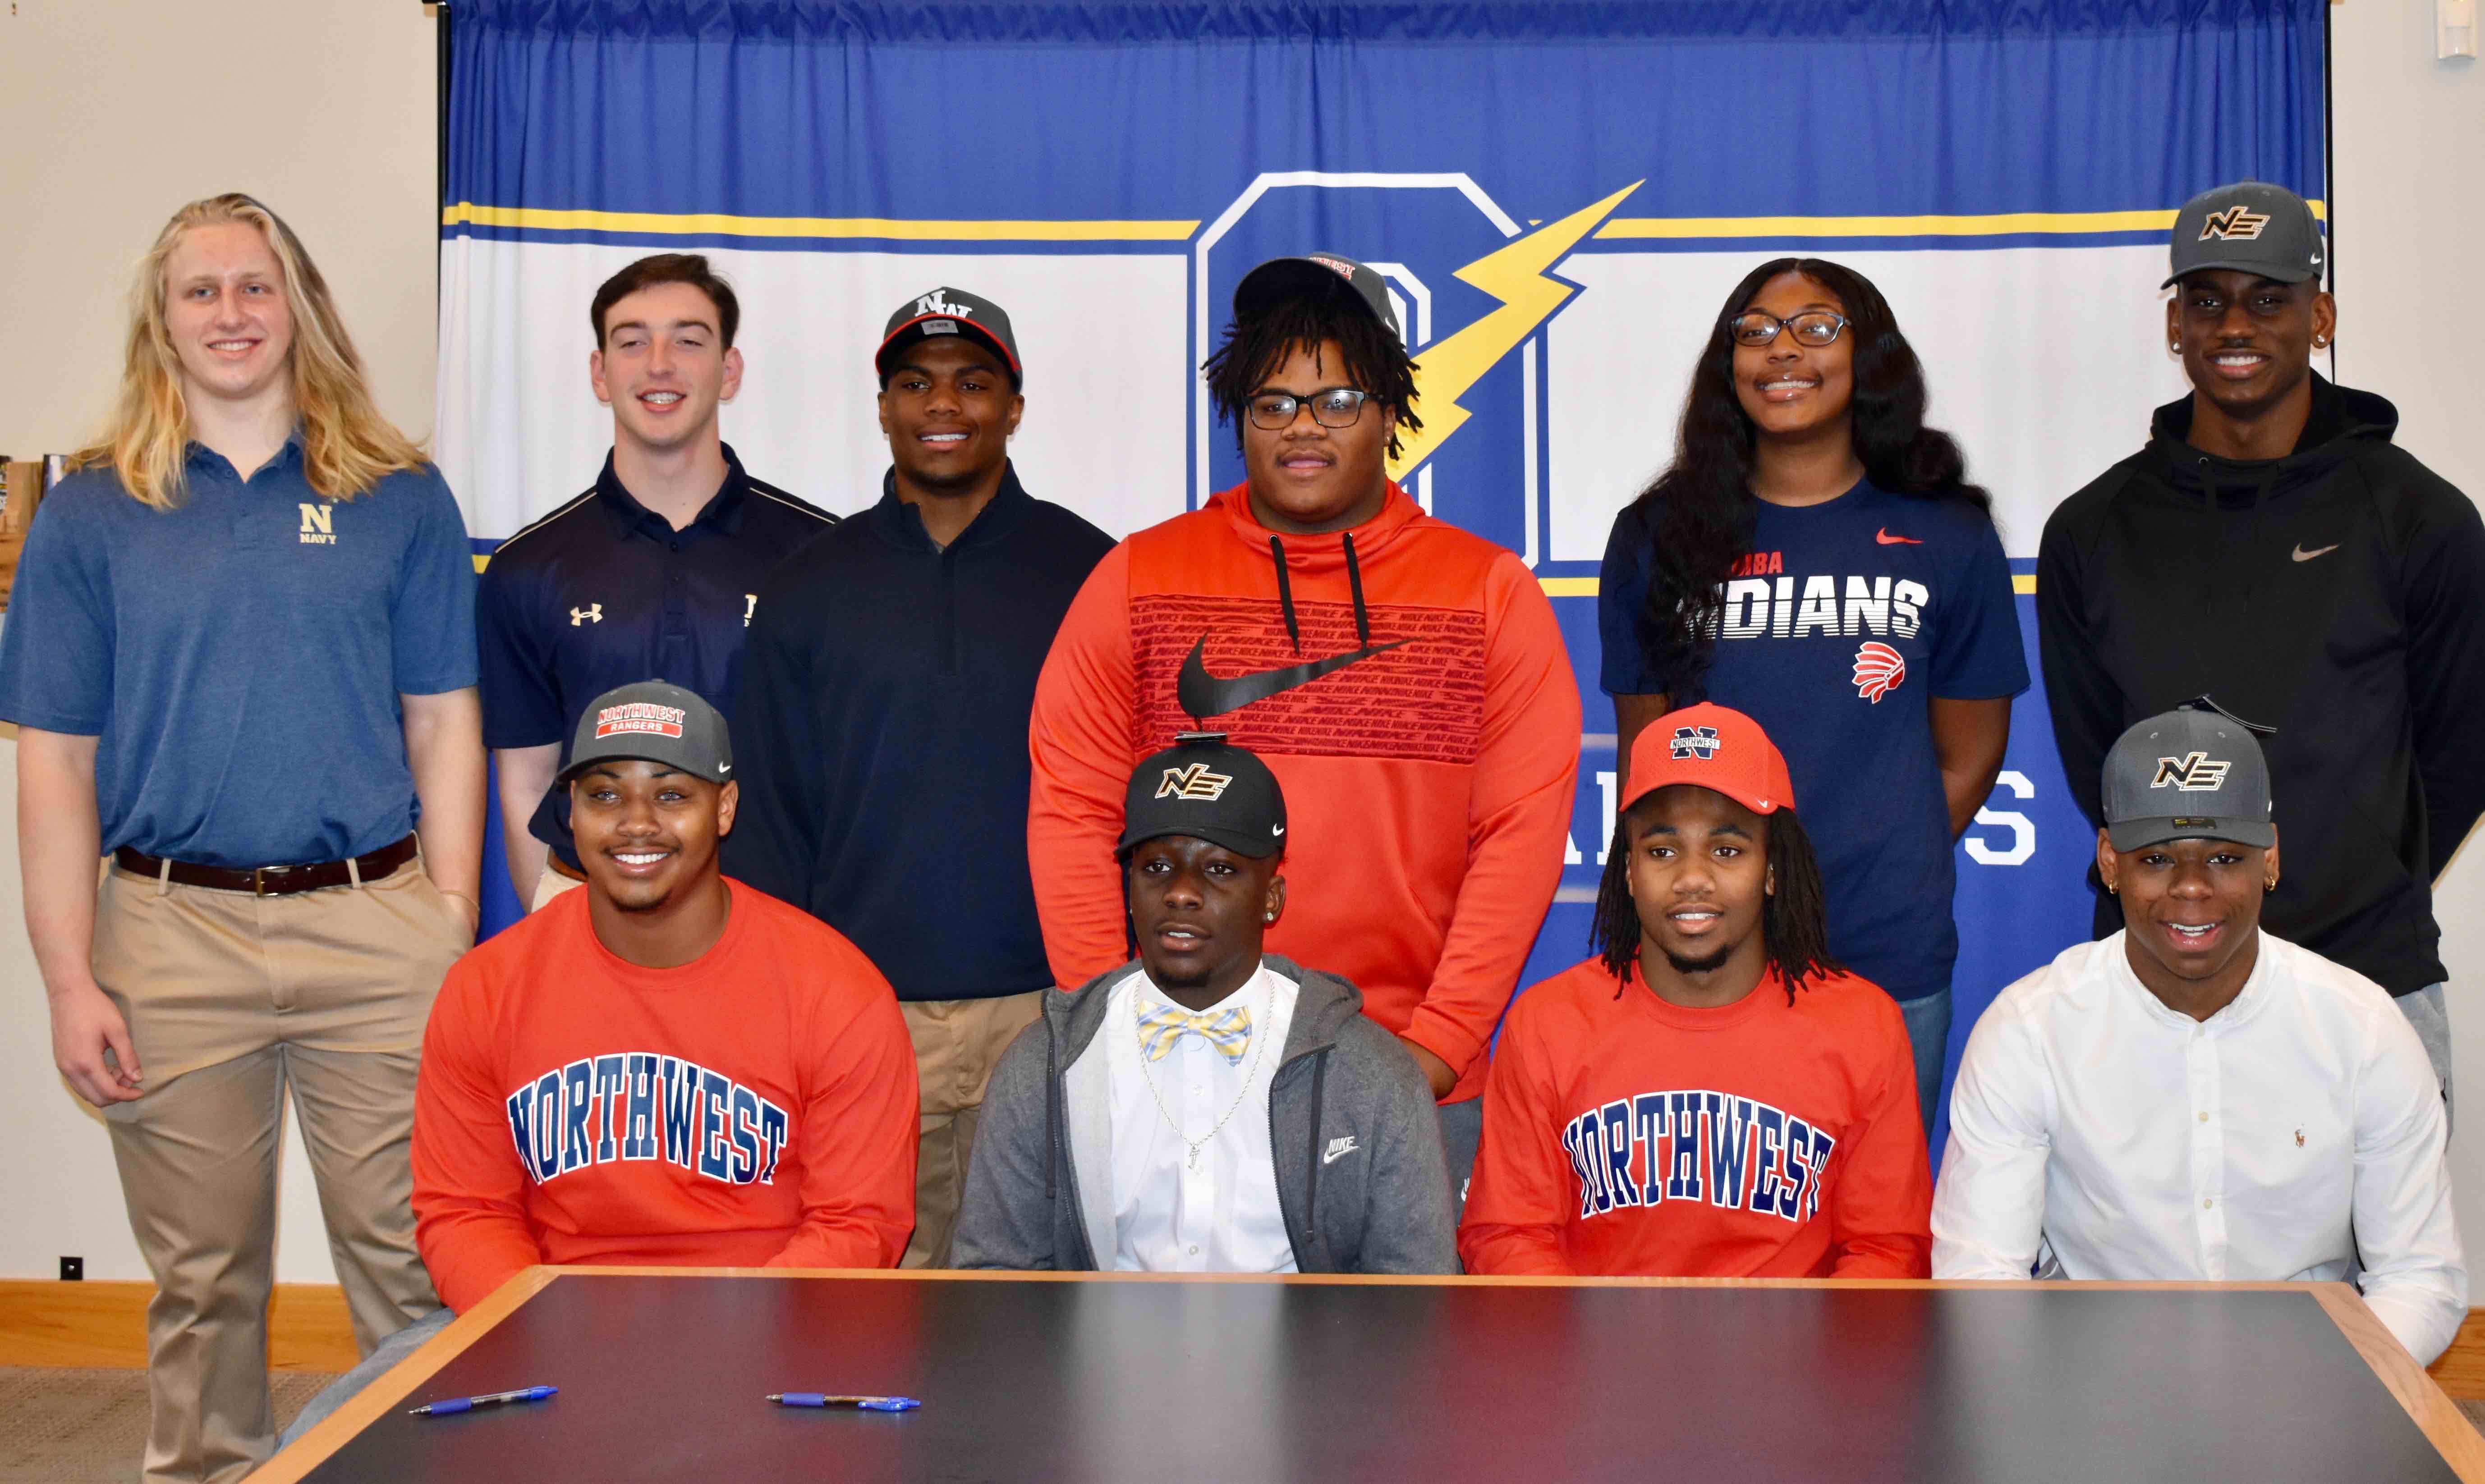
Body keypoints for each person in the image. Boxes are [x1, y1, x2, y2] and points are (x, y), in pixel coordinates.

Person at [0, 193, 483, 1484]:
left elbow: (445, 721)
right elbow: (53, 757)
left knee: (413, 1266)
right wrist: (66, 974)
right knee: (206, 1284)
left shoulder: (397, 496)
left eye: (254, 287)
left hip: (374, 924)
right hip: (167, 932)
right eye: (200, 291)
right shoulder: (92, 514)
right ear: (161, 322)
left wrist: (443, 917)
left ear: (300, 308)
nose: (231, 314)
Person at [1027, 254, 1580, 1203]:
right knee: (1164, 1357)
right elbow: (1073, 811)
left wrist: (1438, 1050)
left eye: (1337, 398)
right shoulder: (1139, 577)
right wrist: (1114, 1028)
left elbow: (1520, 835)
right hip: (1173, 1069)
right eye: (1273, 403)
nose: (1303, 429)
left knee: (1400, 1355)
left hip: (1407, 1072)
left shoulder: (1486, 592)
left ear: (1391, 409)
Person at [278, 682, 919, 1444]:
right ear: (572, 814)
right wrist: (555, 1331)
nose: (636, 822)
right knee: (317, 1440)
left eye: (672, 793)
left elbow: (858, 1224)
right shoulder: (488, 987)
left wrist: (718, 1338)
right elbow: (465, 1212)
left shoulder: (833, 987)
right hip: (542, 1325)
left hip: (778, 1330)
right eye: (604, 793)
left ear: (723, 808)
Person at [2037, 181, 2485, 1115]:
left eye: (2267, 298)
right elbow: (2099, 763)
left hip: (2367, 979)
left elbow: (2460, 748)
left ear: (2318, 315)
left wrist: (2350, 866)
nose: (2233, 324)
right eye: (2205, 300)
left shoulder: (2418, 516)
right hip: (2151, 984)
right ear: (2174, 325)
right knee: (2140, 1265)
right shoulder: (2092, 528)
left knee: (2379, 1267)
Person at [727, 288, 1113, 1268]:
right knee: (876, 1302)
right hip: (862, 1010)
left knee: (1041, 1302)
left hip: (1050, 1004)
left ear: (1014, 405)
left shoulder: (1091, 572)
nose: (944, 404)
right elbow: (770, 816)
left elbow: (1132, 797)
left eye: (973, 382)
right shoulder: (810, 585)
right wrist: (793, 1006)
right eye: (916, 383)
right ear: (885, 407)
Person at [1598, 257, 2025, 1135]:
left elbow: (1970, 751)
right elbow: (1650, 759)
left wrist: (1870, 848)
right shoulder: (1655, 535)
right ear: (1726, 365)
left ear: (1867, 354)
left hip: (1882, 939)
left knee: (1875, 1233)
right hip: (1705, 940)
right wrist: (1731, 880)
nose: (1780, 350)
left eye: (1814, 327)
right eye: (1752, 331)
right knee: (1713, 1215)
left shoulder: (1947, 532)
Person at [1934, 706, 2465, 1364]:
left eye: (2222, 857)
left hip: (2313, 1383)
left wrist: (2333, 1395)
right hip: (2091, 1388)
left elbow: (2418, 1278)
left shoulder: (2361, 1029)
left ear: (2268, 857)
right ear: (2108, 861)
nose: (2190, 888)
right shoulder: (2029, 1030)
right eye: (2155, 858)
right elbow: (1978, 1278)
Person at [955, 734, 1456, 1273]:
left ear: (1271, 899)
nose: (1181, 893)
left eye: (1219, 869)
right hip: (1100, 1355)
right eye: (1156, 868)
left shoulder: (1374, 1077)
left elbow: (1415, 1302)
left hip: (1309, 1356)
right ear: (1128, 890)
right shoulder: (1045, 1066)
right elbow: (996, 1282)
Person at [1460, 705, 1930, 1278]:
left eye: (1727, 849)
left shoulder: (1863, 1025)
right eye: (1662, 850)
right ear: (1629, 870)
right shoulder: (1547, 1023)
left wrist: (1807, 1364)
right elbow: (1510, 1235)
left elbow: (1885, 1251)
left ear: (1772, 869)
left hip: (1797, 1362)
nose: (1692, 877)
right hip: (1598, 1358)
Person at [479, 253, 836, 909]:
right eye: (633, 341)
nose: (659, 363)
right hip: (585, 905)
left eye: (688, 340)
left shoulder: (822, 555)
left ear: (728, 373)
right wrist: (548, 928)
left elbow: (844, 768)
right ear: (600, 373)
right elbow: (526, 777)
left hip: (772, 910)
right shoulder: (526, 568)